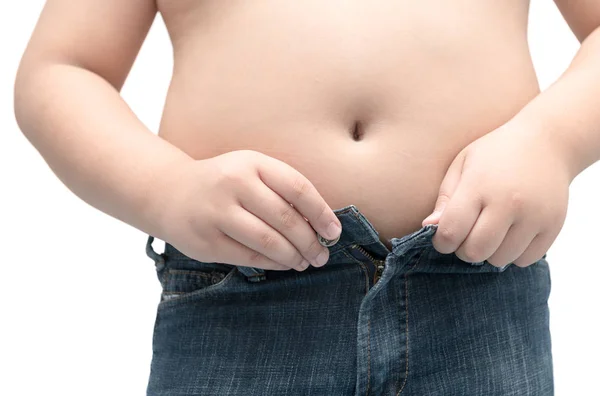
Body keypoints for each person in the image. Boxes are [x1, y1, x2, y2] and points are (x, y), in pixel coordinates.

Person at [13, 1, 600, 395]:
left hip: (474, 292)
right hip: (242, 302)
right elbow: (61, 70)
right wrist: (165, 187)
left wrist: (551, 140)